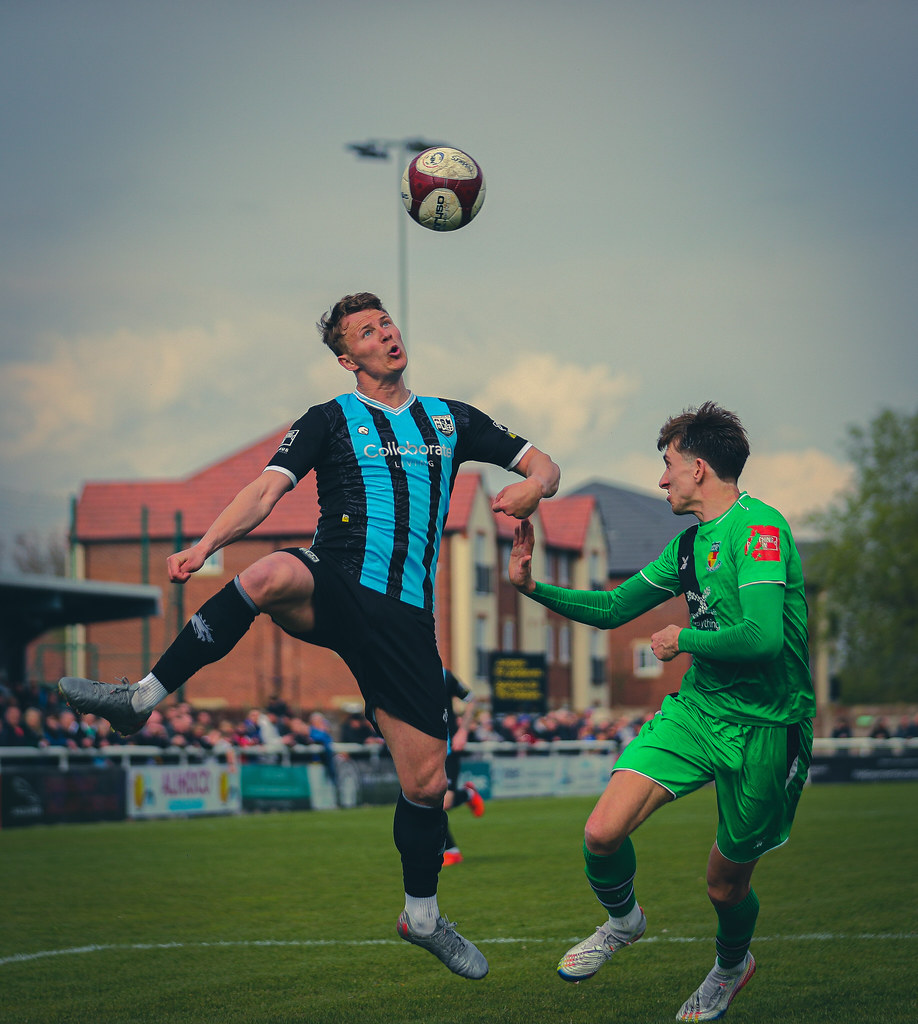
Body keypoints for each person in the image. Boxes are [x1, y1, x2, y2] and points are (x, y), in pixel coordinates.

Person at [60, 291, 560, 981]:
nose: (386, 334)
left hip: (405, 621)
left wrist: (534, 490)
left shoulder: (451, 417)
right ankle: (140, 699)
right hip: (334, 578)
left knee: (427, 782)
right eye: (367, 330)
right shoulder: (329, 419)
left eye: (387, 324)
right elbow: (265, 492)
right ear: (344, 356)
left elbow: (544, 466)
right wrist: (205, 545)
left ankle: (421, 917)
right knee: (265, 574)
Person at [508, 401, 814, 1021]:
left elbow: (762, 639)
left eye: (668, 464)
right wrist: (532, 588)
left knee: (724, 886)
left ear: (699, 468)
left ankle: (732, 966)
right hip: (698, 711)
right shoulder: (687, 547)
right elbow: (616, 608)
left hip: (767, 728)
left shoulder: (761, 532)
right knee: (600, 832)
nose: (661, 478)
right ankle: (623, 922)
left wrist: (683, 640)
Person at [441, 669, 485, 866]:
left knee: (444, 803)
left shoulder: (443, 675)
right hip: (421, 750)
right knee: (428, 802)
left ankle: (467, 794)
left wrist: (463, 731)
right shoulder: (404, 674)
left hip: (448, 747)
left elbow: (472, 700)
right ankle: (451, 850)